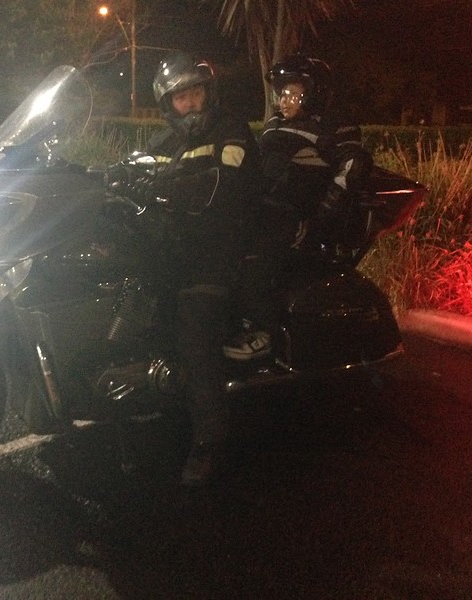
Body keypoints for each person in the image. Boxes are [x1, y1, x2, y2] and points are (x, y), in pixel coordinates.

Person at [138, 52, 260, 485]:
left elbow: (226, 182)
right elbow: (134, 169)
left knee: (194, 334)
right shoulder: (164, 143)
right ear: (168, 105)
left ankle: (209, 440)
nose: (190, 102)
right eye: (180, 97)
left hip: (218, 250)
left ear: (208, 93)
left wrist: (166, 188)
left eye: (195, 92)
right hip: (173, 250)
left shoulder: (231, 131)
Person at [223, 53, 373, 361]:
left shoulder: (333, 127)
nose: (284, 100)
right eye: (282, 94)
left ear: (314, 93)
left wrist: (323, 214)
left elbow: (353, 167)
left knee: (255, 257)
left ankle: (265, 332)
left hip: (296, 214)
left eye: (293, 93)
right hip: (261, 207)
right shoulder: (274, 125)